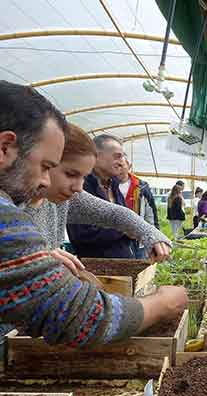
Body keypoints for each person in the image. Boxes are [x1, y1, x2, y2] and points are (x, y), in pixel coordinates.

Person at [0, 80, 187, 346]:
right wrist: (162, 303)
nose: (43, 181)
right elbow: (86, 318)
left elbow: (117, 215)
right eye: (46, 166)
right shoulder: (7, 215)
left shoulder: (54, 201)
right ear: (5, 147)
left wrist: (152, 235)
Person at [24, 124, 171, 273]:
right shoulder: (12, 205)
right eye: (71, 174)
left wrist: (150, 233)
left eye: (83, 177)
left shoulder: (64, 198)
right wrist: (39, 258)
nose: (79, 188)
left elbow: (115, 214)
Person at [66, 134, 137, 258]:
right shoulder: (81, 186)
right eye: (117, 157)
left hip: (122, 264)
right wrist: (123, 230)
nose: (122, 162)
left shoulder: (114, 186)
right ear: (97, 156)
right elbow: (81, 234)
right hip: (96, 268)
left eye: (122, 157)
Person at [117, 158, 161, 258]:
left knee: (139, 267)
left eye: (121, 165)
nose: (118, 169)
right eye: (115, 166)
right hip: (115, 241)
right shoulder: (107, 186)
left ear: (129, 165)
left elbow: (150, 215)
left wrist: (154, 238)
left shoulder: (141, 187)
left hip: (138, 241)